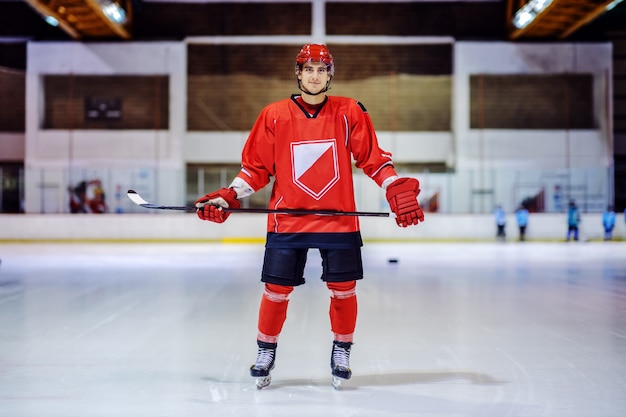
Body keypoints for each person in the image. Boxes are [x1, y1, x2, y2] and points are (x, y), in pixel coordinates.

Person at [194, 44, 424, 389]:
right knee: (276, 289)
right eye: (308, 69)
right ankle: (265, 351)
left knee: (343, 289)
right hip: (288, 220)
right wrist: (228, 195)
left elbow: (372, 158)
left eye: (322, 69)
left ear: (329, 75)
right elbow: (256, 169)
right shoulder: (274, 114)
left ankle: (342, 349)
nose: (315, 75)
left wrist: (393, 186)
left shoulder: (350, 111)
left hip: (339, 219)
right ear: (298, 73)